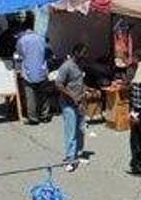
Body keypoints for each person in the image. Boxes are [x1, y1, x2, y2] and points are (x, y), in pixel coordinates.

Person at [56, 43, 89, 172]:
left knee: (80, 129)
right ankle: (70, 159)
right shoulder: (66, 66)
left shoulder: (80, 65)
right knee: (71, 132)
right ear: (76, 53)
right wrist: (72, 96)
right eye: (83, 53)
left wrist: (85, 91)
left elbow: (79, 81)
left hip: (80, 102)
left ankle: (78, 154)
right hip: (69, 104)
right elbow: (58, 84)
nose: (85, 56)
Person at [15, 16, 51, 124]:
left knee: (30, 95)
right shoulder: (41, 38)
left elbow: (20, 54)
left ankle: (33, 118)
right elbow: (47, 52)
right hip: (41, 69)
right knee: (43, 95)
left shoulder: (21, 40)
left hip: (28, 71)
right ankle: (44, 115)